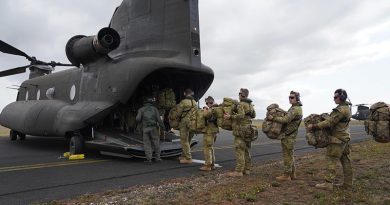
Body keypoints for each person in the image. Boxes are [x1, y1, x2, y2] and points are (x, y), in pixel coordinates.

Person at [307, 89, 352, 190]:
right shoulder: (346, 108)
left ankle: (328, 183)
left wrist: (314, 126)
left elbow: (329, 123)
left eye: (335, 97)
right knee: (345, 160)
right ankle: (348, 184)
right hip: (344, 139)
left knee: (331, 160)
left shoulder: (340, 110)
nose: (334, 99)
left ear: (342, 97)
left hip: (337, 140)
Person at [268, 91, 303, 181]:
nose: (290, 99)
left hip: (289, 135)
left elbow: (286, 119)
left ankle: (286, 175)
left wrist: (273, 118)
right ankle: (292, 174)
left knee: (287, 155)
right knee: (290, 154)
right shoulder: (294, 108)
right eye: (289, 97)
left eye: (292, 97)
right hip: (290, 134)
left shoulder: (295, 109)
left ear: (297, 99)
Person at [225, 88, 256, 177]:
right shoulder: (250, 105)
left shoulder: (240, 104)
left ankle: (238, 171)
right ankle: (247, 169)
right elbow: (254, 115)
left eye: (239, 94)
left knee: (239, 149)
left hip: (241, 129)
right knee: (246, 150)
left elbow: (241, 115)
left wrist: (230, 116)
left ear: (241, 95)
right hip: (249, 129)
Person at [136, 97, 165, 164]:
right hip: (153, 128)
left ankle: (149, 159)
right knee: (156, 142)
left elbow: (137, 119)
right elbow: (159, 120)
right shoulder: (155, 109)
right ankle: (158, 158)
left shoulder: (141, 109)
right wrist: (163, 127)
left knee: (147, 143)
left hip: (145, 128)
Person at [176, 88, 197, 164]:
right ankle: (184, 155)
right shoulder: (195, 102)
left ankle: (188, 158)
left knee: (184, 140)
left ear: (185, 94)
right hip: (192, 122)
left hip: (184, 122)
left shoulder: (183, 102)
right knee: (189, 140)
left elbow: (178, 113)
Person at [199, 96, 219, 171]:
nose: (207, 104)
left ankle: (207, 165)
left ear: (209, 102)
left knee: (207, 148)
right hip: (214, 130)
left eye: (207, 102)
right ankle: (212, 164)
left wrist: (204, 110)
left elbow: (205, 115)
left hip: (209, 131)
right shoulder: (217, 108)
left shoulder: (213, 109)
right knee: (210, 147)